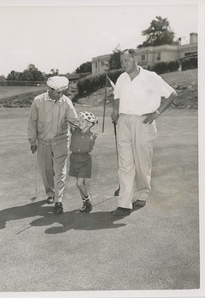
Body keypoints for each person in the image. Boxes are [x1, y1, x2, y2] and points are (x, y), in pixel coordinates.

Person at [110, 49, 178, 216]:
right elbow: (116, 95)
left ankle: (142, 194)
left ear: (135, 59)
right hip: (124, 122)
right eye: (121, 61)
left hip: (143, 122)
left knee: (142, 163)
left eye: (127, 60)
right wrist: (115, 109)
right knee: (125, 165)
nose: (124, 64)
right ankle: (124, 203)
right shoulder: (121, 78)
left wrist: (157, 113)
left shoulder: (150, 76)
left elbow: (172, 94)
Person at [28, 76, 79, 214]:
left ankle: (58, 200)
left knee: (60, 171)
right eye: (58, 92)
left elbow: (74, 121)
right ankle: (50, 194)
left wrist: (81, 128)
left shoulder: (66, 102)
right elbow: (32, 122)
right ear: (49, 89)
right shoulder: (38, 101)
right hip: (43, 141)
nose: (60, 95)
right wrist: (32, 141)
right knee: (46, 169)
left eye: (63, 92)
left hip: (61, 140)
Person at [69, 111, 98, 213]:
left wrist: (86, 133)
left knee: (79, 183)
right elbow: (70, 123)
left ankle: (88, 200)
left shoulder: (92, 135)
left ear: (90, 124)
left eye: (83, 121)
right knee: (81, 184)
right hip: (74, 158)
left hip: (84, 160)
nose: (79, 122)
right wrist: (75, 126)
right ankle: (85, 203)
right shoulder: (74, 130)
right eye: (79, 120)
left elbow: (89, 148)